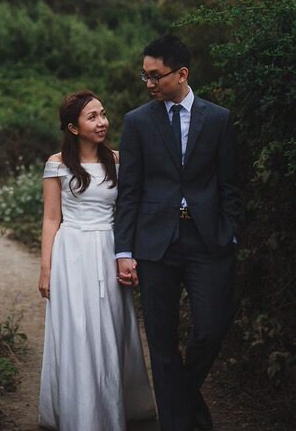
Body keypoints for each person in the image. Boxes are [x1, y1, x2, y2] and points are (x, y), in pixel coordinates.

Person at [114, 35, 241, 431]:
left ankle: (182, 400)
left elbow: (231, 185)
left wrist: (230, 232)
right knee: (162, 341)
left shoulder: (218, 119)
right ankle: (178, 424)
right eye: (145, 76)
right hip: (155, 243)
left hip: (208, 241)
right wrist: (124, 250)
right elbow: (130, 190)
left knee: (210, 329)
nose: (148, 83)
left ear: (181, 74)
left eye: (156, 76)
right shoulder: (137, 122)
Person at [38, 90, 157, 431]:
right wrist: (46, 269)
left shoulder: (118, 161)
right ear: (73, 127)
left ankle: (112, 408)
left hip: (108, 248)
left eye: (103, 114)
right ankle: (80, 414)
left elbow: (130, 210)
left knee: (110, 329)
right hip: (71, 252)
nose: (102, 122)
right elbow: (50, 219)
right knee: (77, 330)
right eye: (92, 116)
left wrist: (129, 255)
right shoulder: (57, 164)